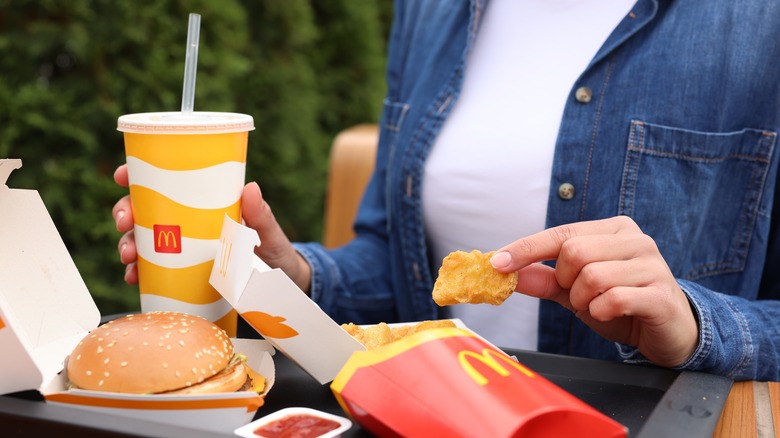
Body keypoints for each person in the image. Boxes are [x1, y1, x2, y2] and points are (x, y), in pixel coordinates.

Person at [113, 0, 780, 382]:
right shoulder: (434, 9)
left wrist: (695, 325)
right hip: (430, 413)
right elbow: (397, 265)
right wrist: (287, 277)